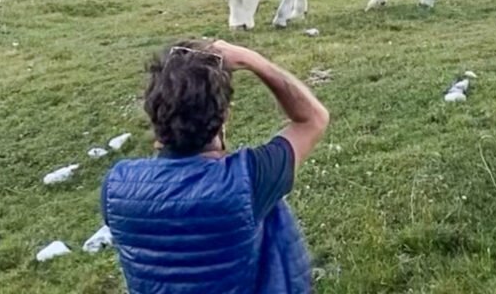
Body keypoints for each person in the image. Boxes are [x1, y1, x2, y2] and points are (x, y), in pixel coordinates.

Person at [101, 38, 330, 294]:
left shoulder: (115, 187)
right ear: (224, 116)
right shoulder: (249, 179)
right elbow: (313, 119)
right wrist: (254, 61)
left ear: (153, 113)